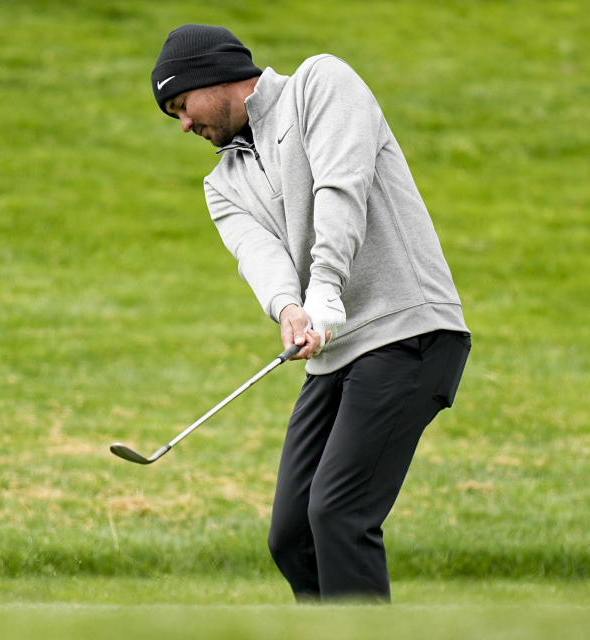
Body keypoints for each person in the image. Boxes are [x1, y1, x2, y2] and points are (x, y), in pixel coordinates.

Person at [149, 24, 471, 602]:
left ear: (212, 78)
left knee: (339, 514)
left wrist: (325, 286)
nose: (185, 124)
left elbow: (340, 187)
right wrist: (290, 309)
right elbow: (259, 255)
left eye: (183, 105)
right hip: (336, 353)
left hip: (409, 329)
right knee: (291, 533)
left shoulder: (320, 83)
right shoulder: (223, 183)